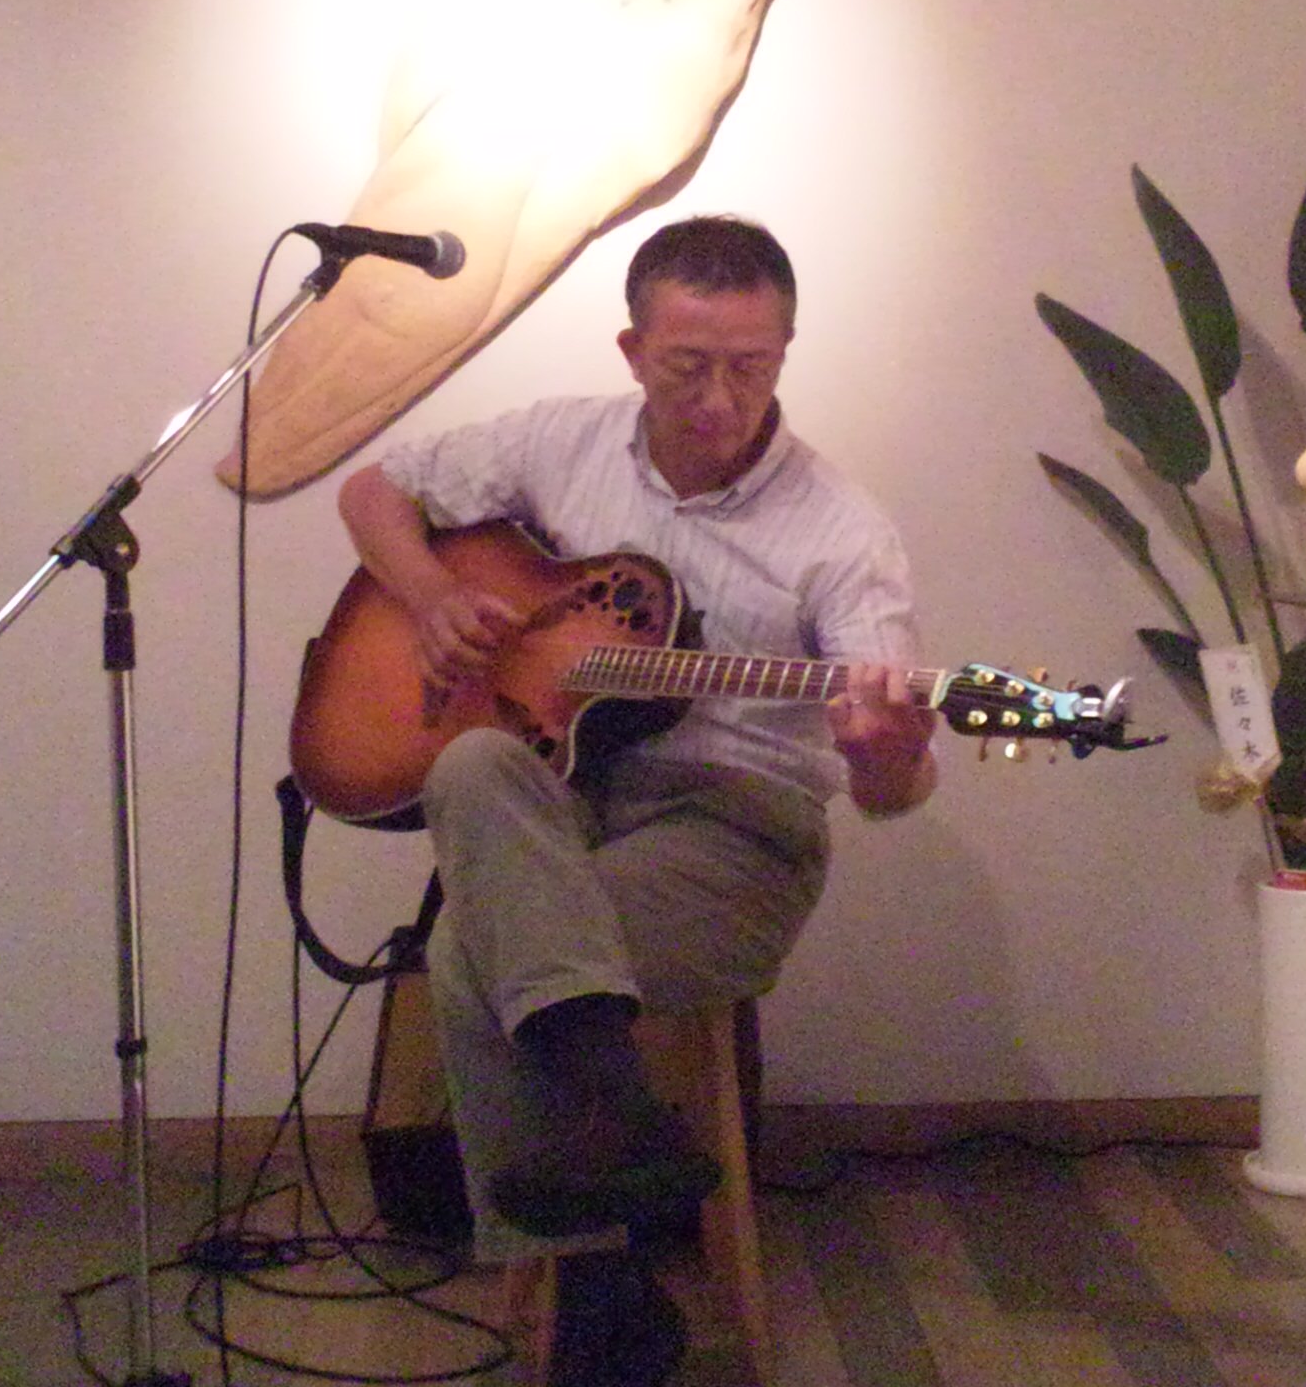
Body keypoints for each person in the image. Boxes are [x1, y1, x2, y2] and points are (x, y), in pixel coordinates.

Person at [337, 216, 934, 1385]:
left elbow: (898, 791)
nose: (719, 398)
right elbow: (373, 490)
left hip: (739, 828)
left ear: (786, 350)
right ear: (631, 349)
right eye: (687, 365)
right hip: (569, 802)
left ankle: (594, 1290)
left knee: (470, 950)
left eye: (751, 366)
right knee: (469, 764)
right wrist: (432, 596)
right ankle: (611, 1199)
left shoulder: (842, 531)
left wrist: (883, 750)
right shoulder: (562, 441)